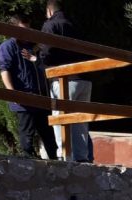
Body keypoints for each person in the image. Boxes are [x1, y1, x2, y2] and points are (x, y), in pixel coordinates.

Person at [0, 14, 58, 160]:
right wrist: (12, 92)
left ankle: (55, 161)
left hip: (40, 97)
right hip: (23, 98)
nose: (26, 33)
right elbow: (4, 70)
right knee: (27, 133)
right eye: (23, 30)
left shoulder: (33, 46)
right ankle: (28, 161)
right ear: (13, 29)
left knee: (48, 134)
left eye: (28, 29)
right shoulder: (7, 47)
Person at [41, 0, 92, 162]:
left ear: (49, 11)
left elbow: (46, 52)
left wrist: (40, 62)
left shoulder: (51, 25)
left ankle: (64, 155)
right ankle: (82, 158)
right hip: (85, 79)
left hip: (64, 79)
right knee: (80, 121)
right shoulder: (76, 25)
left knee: (60, 118)